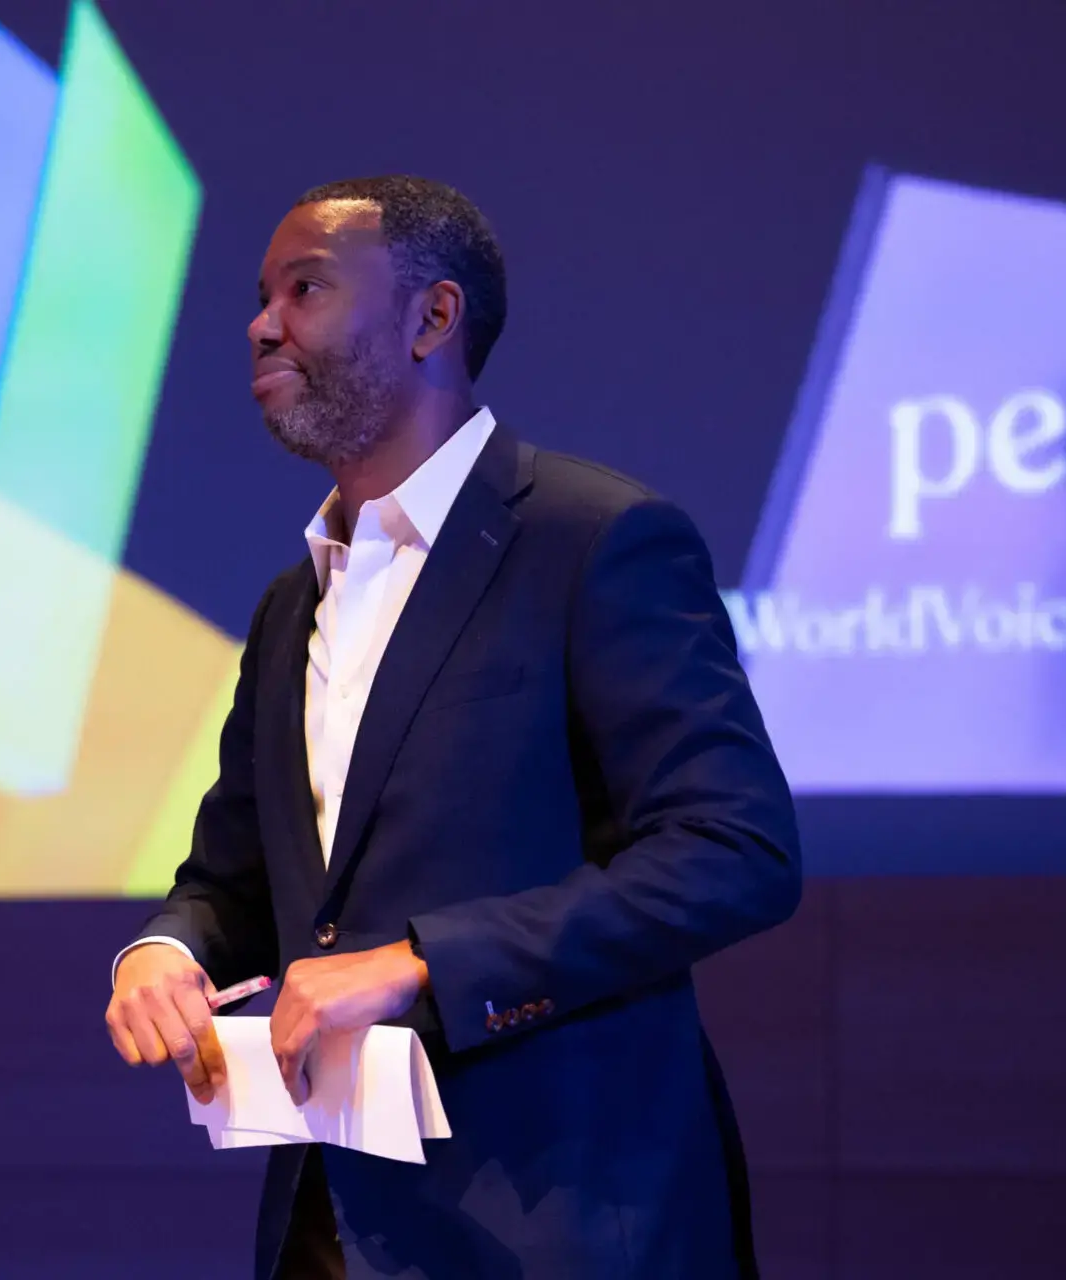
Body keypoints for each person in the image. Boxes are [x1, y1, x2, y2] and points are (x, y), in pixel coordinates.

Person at [103, 175, 802, 1279]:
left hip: (556, 1227)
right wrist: (168, 948)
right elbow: (236, 882)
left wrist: (421, 963)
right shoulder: (293, 602)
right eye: (261, 294)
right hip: (332, 1227)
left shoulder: (596, 539)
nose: (261, 322)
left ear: (433, 318)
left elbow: (735, 852)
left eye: (306, 288)